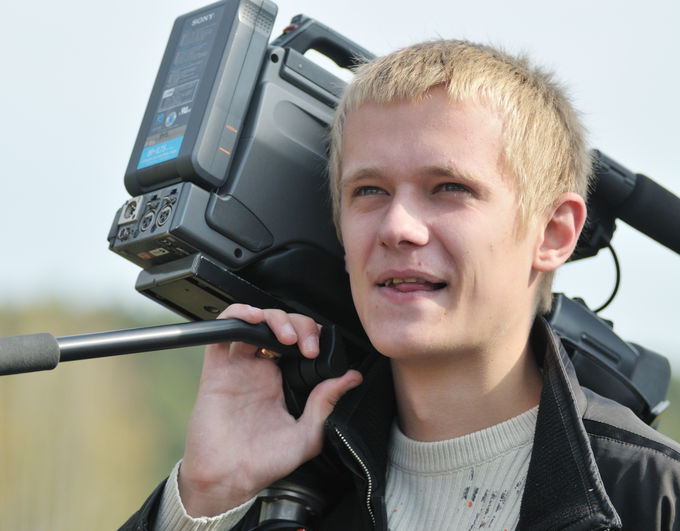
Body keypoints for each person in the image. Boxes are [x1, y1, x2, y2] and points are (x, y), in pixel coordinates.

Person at [121, 40, 680, 530]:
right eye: (369, 191)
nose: (396, 227)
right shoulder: (283, 484)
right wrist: (207, 498)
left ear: (553, 233)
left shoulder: (654, 497)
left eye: (449, 187)